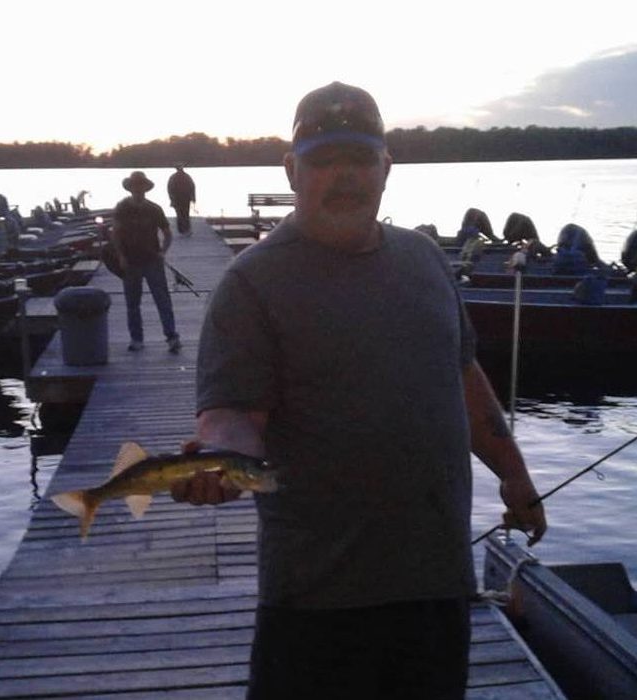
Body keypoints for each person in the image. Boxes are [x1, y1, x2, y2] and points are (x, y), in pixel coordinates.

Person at [171, 82, 547, 699]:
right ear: (292, 171)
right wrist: (214, 461)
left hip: (436, 587)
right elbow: (234, 414)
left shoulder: (425, 260)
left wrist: (516, 476)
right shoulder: (253, 284)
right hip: (317, 604)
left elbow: (462, 375)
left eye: (359, 159)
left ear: (386, 167)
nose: (343, 177)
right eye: (322, 161)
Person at [111, 170, 181, 353]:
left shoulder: (154, 209)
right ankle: (136, 339)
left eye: (141, 186)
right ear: (130, 188)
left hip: (153, 261)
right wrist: (121, 256)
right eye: (135, 186)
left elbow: (167, 233)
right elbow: (116, 233)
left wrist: (163, 251)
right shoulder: (122, 207)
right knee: (132, 303)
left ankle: (172, 337)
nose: (138, 189)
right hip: (131, 262)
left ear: (145, 188)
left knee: (162, 300)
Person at [167, 164, 196, 235]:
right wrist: (193, 197)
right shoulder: (187, 176)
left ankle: (183, 230)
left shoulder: (173, 177)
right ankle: (185, 229)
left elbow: (169, 189)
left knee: (181, 214)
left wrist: (171, 198)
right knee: (184, 214)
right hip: (183, 199)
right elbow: (192, 187)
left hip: (181, 199)